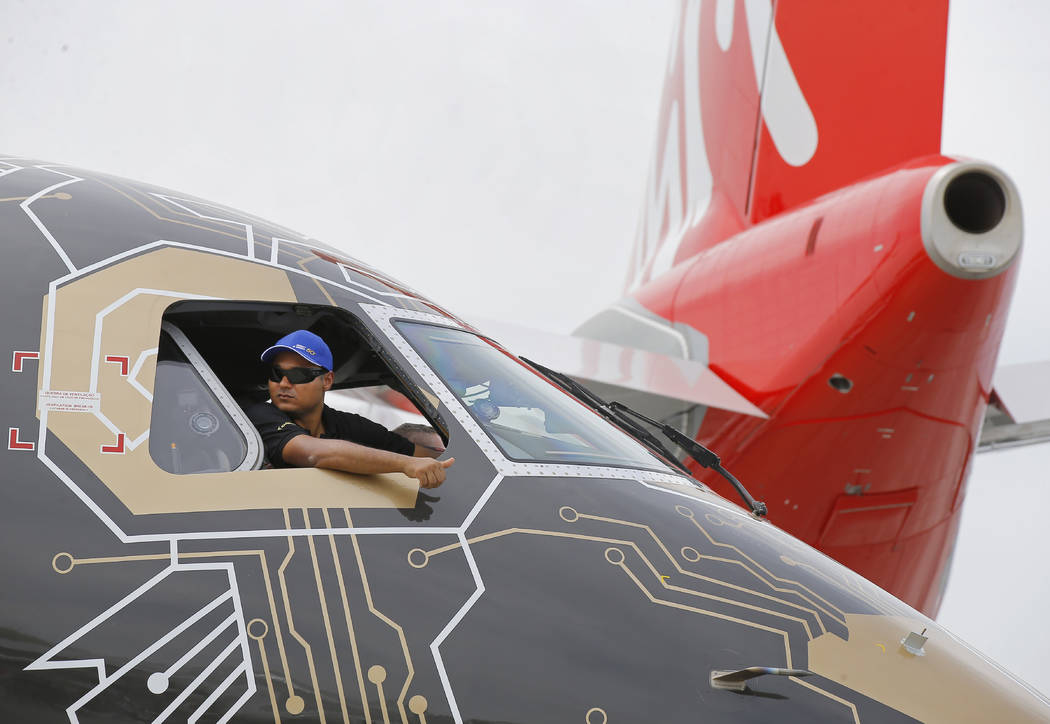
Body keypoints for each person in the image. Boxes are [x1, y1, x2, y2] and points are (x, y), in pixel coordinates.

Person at [244, 329, 454, 488]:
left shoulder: (346, 423)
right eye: (276, 374)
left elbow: (422, 455)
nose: (284, 384)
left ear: (327, 380)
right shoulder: (261, 416)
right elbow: (315, 454)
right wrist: (405, 464)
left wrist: (446, 464)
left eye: (298, 375)